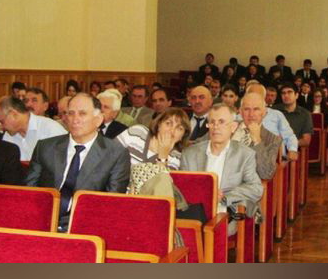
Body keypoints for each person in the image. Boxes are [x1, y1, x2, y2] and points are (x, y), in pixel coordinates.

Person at [25, 94, 131, 231]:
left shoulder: (115, 153)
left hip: (87, 226)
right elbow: (30, 192)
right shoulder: (45, 147)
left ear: (98, 119)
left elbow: (111, 202)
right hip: (43, 222)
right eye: (71, 113)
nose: (75, 119)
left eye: (82, 114)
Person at [180, 104, 263, 234]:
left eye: (221, 122)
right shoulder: (189, 154)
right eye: (212, 122)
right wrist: (206, 194)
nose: (216, 127)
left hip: (225, 210)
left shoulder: (245, 154)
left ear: (233, 127)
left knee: (211, 227)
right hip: (195, 210)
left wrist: (225, 197)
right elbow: (182, 187)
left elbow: (255, 188)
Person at [0, 96, 67, 160]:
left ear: (14, 114)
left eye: (2, 121)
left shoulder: (51, 130)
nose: (1, 126)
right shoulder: (8, 137)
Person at [232, 93, 282, 180]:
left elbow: (266, 173)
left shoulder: (273, 139)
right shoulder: (226, 128)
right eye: (247, 109)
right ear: (240, 112)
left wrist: (257, 141)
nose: (251, 114)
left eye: (256, 109)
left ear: (264, 113)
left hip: (246, 184)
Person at [117, 108, 191, 168]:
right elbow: (112, 153)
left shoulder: (176, 158)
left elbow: (162, 180)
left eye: (179, 128)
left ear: (183, 136)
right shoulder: (137, 132)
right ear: (159, 124)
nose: (172, 130)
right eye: (168, 123)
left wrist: (163, 155)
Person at [275, 83, 313, 148]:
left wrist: (286, 144)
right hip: (273, 149)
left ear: (296, 95)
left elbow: (306, 141)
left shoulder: (305, 114)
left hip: (294, 149)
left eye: (289, 92)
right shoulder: (274, 111)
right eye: (283, 93)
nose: (286, 95)